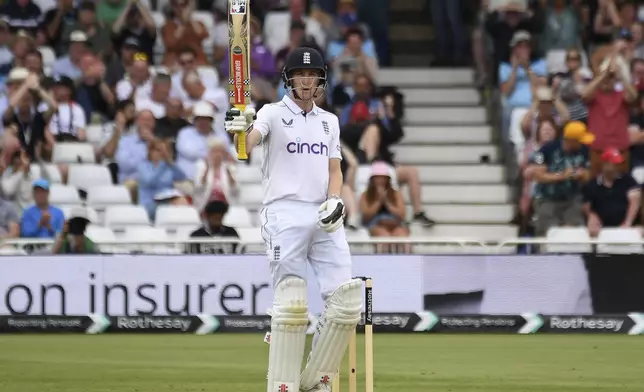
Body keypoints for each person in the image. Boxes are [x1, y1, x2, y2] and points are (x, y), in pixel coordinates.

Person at [224, 47, 362, 392]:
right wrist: (239, 129)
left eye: (312, 75)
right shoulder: (271, 113)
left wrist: (335, 200)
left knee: (345, 302)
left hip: (323, 214)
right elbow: (248, 144)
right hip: (283, 212)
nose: (306, 80)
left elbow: (335, 169)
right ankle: (282, 384)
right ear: (289, 79)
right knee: (291, 301)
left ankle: (317, 381)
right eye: (300, 75)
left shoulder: (329, 121)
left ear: (320, 79)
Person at [359, 161, 409, 253]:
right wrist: (378, 201)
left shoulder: (396, 193)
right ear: (372, 179)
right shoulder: (365, 195)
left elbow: (402, 214)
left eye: (383, 177)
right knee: (384, 237)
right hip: (375, 224)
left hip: (394, 223)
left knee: (402, 235)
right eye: (377, 177)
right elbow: (366, 216)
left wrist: (387, 202)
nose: (380, 180)